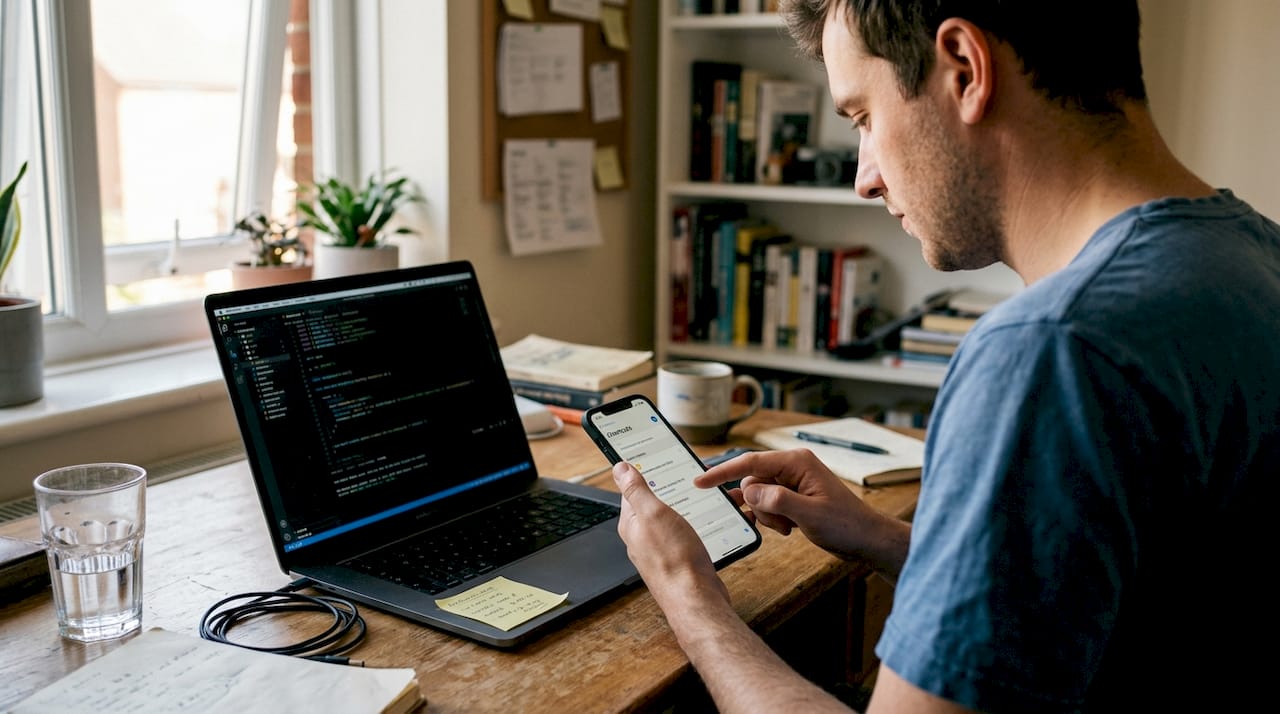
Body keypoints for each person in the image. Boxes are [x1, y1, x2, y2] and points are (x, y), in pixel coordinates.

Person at [612, 1, 1279, 711]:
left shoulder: (1051, 351)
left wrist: (689, 595)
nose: (863, 178)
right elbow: (1110, 590)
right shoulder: (1251, 253)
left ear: (965, 69)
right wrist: (888, 539)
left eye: (863, 116)